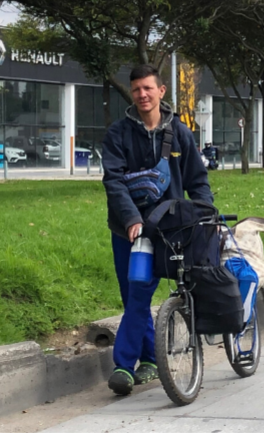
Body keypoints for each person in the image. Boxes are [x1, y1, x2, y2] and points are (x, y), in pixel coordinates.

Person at [101, 64, 212, 396]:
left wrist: (204, 215)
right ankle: (150, 358)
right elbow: (114, 182)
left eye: (148, 88)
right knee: (134, 295)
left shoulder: (180, 133)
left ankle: (123, 365)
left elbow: (197, 181)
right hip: (129, 231)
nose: (142, 94)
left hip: (170, 229)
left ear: (161, 91)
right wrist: (132, 218)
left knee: (138, 295)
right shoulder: (118, 134)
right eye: (136, 89)